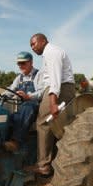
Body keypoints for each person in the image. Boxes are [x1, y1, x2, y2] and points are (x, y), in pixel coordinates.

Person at [28, 33, 75, 175]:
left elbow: (55, 79)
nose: (32, 48)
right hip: (59, 88)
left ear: (43, 41)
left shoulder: (52, 52)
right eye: (31, 45)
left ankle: (43, 165)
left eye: (34, 44)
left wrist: (53, 102)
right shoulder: (49, 53)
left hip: (60, 89)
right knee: (51, 123)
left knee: (43, 123)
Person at [3, 51, 44, 152]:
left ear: (30, 62)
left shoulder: (38, 75)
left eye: (23, 63)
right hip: (22, 109)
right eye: (19, 63)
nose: (20, 66)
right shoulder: (19, 77)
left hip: (36, 107)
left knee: (27, 107)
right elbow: (11, 90)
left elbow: (42, 92)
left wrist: (28, 96)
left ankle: (16, 142)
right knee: (9, 116)